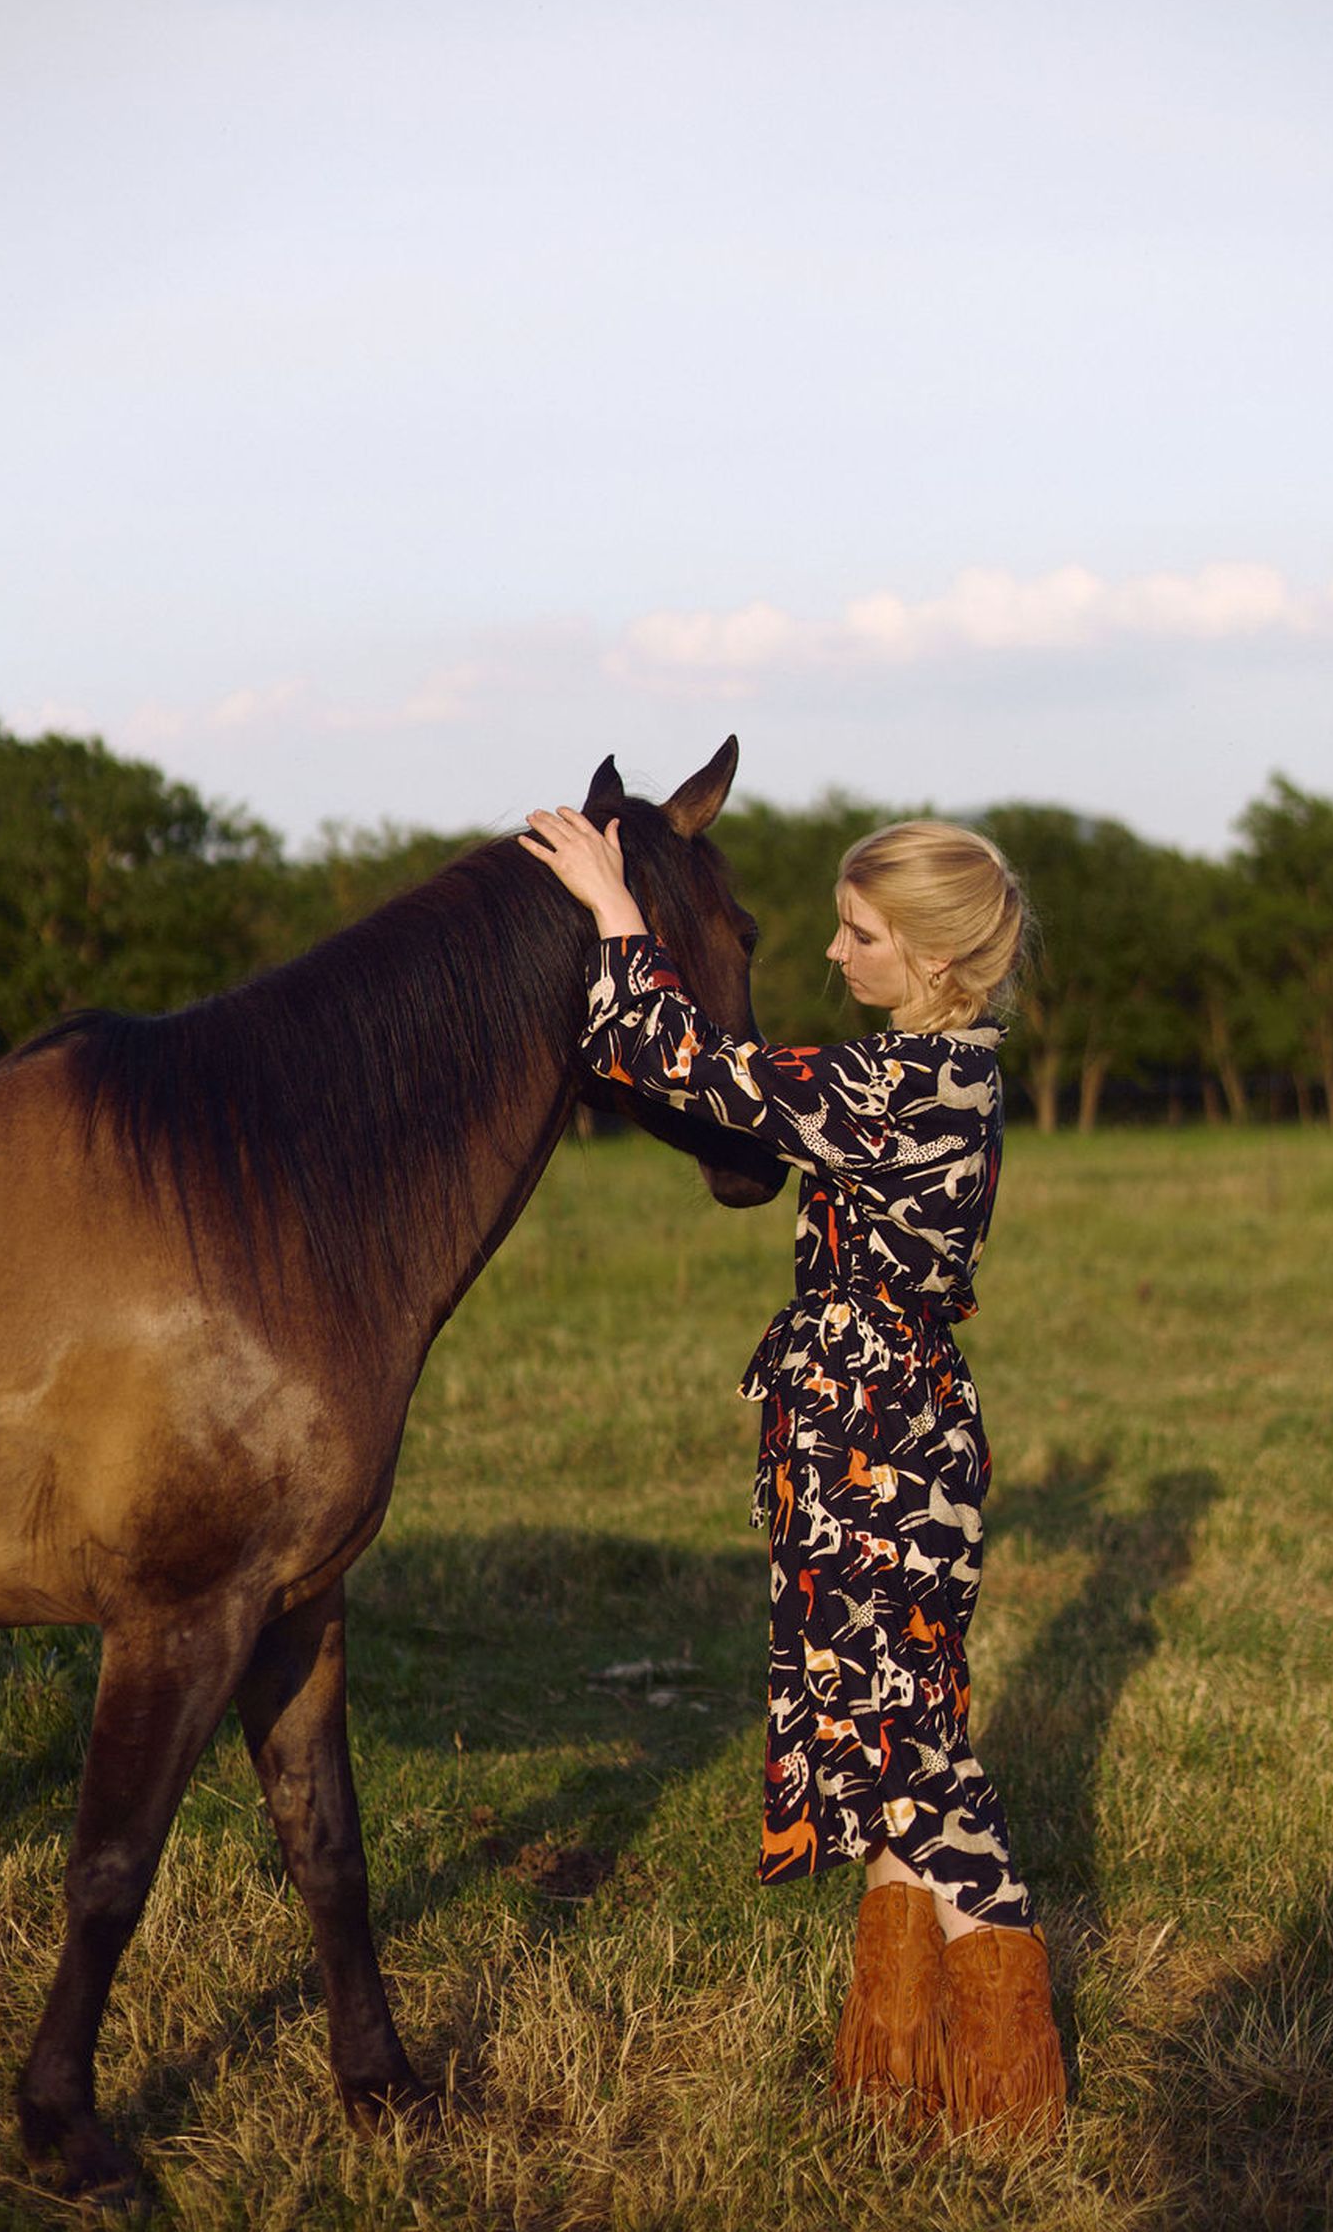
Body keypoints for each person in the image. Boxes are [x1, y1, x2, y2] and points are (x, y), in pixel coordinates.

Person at [519, 804, 1066, 2144]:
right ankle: (896, 2072)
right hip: (882, 1426)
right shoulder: (935, 1074)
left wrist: (615, 905)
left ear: (937, 957)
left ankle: (1017, 2101)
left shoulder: (902, 1090)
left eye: (861, 932)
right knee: (888, 1735)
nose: (835, 950)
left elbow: (672, 1053)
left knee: (918, 1753)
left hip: (876, 1443)